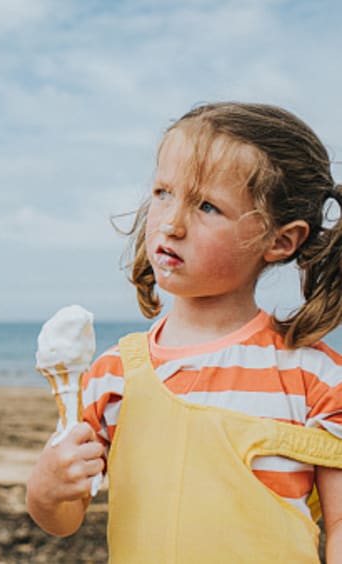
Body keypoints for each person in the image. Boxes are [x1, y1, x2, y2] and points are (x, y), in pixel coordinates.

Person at [26, 102, 342, 562]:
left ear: (280, 241)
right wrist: (47, 489)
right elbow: (64, 518)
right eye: (162, 192)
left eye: (208, 206)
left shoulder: (316, 379)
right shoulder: (113, 375)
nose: (171, 223)